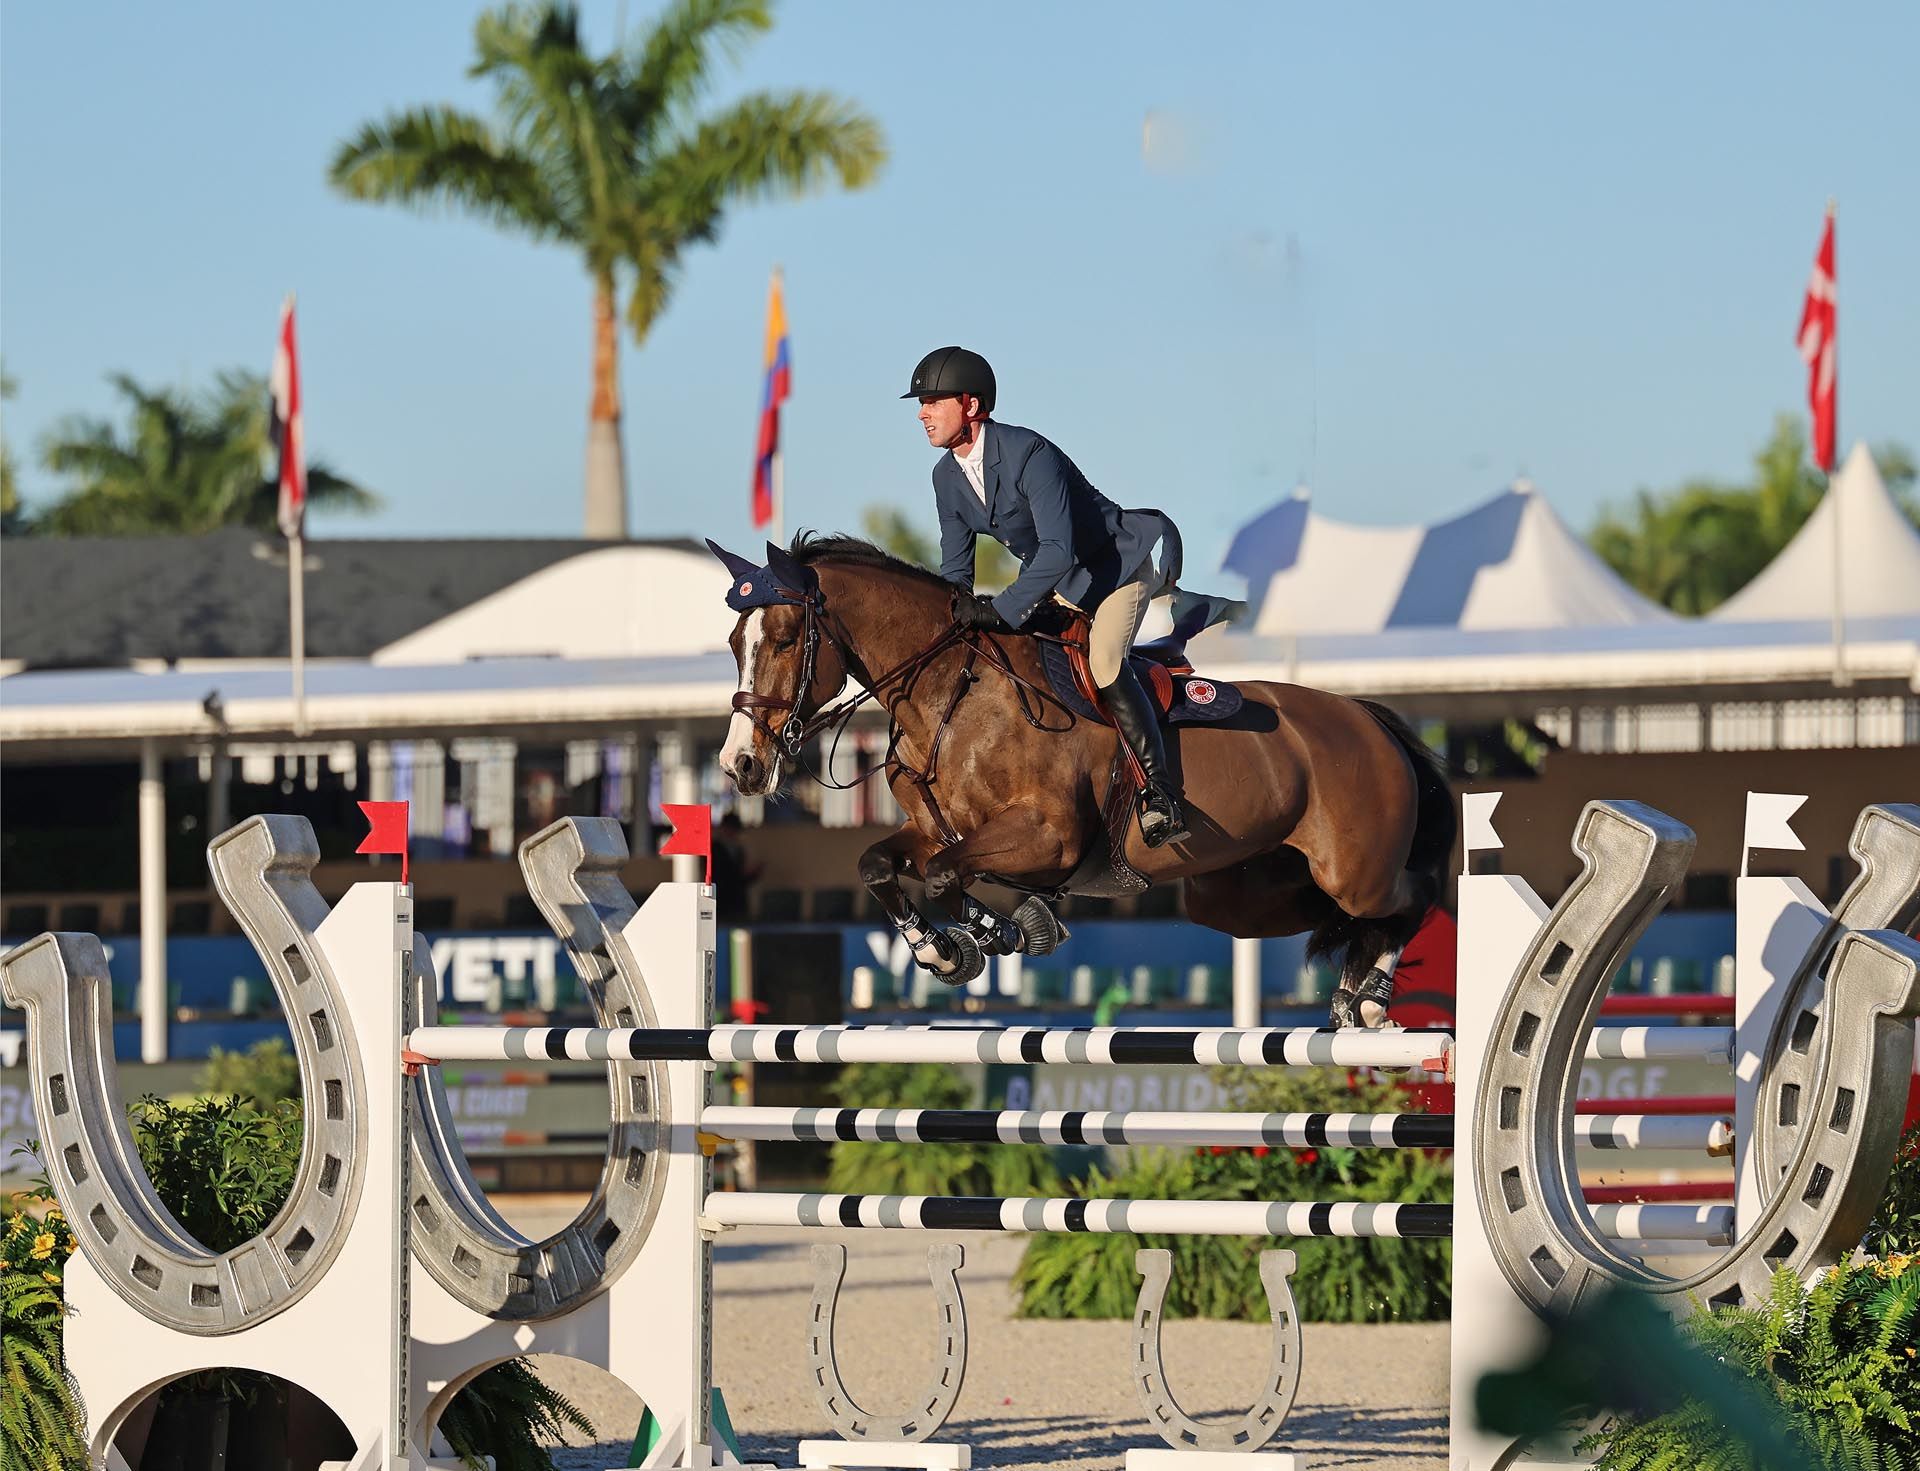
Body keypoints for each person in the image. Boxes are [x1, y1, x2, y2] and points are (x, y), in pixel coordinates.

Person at [904, 345, 1187, 848]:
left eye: (933, 401)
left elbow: (1058, 551)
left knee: (1103, 662)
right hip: (1059, 585)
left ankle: (1157, 791)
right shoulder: (945, 477)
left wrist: (1002, 608)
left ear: (971, 406)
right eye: (920, 403)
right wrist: (943, 626)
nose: (922, 413)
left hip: (1115, 569)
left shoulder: (1028, 453)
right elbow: (955, 568)